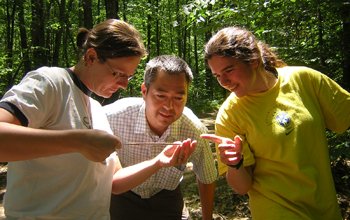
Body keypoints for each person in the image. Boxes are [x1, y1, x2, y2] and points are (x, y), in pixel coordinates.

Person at [0, 19, 148, 219]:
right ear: (91, 57)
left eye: (128, 77)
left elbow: (113, 181)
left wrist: (160, 162)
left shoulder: (96, 109)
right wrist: (79, 142)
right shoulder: (51, 83)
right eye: (118, 74)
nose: (123, 85)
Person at [200, 26, 350, 220]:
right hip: (276, 209)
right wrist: (234, 163)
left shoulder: (305, 80)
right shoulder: (230, 114)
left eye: (228, 70)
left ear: (253, 60)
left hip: (324, 207)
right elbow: (241, 187)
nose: (224, 81)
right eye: (217, 75)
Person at [104, 55, 218, 220]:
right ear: (145, 91)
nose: (168, 106)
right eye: (160, 95)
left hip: (167, 196)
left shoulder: (193, 130)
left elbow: (207, 177)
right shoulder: (112, 118)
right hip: (122, 196)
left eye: (178, 98)